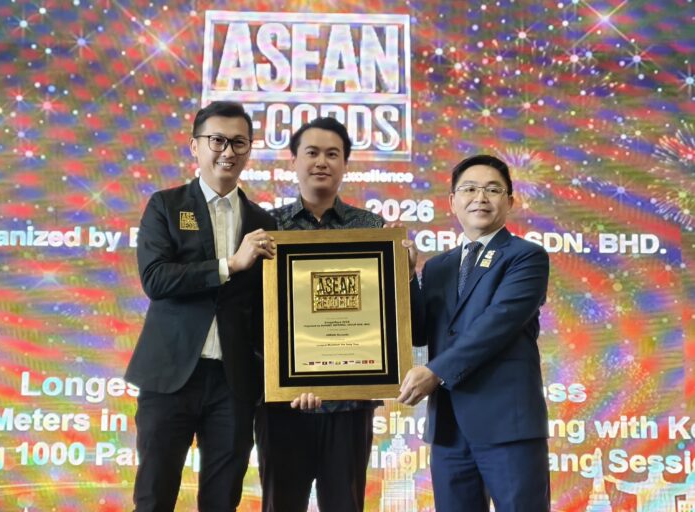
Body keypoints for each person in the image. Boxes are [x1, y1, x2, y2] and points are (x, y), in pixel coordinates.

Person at [124, 101, 277, 512]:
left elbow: (272, 310)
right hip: (170, 376)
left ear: (249, 150)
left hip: (235, 382)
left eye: (239, 143)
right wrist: (230, 264)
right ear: (195, 146)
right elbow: (156, 279)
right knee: (154, 495)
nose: (227, 151)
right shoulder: (166, 206)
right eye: (217, 141)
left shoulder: (265, 223)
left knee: (222, 499)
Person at [398, 154, 551, 511]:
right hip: (449, 429)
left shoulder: (525, 257)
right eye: (469, 189)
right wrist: (405, 278)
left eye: (492, 189)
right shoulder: (438, 267)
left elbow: (498, 323)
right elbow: (421, 332)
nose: (480, 197)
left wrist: (435, 372)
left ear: (509, 201)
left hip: (507, 425)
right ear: (452, 201)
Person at [254, 117, 384, 512]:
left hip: (348, 404)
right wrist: (288, 377)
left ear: (346, 163)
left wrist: (405, 270)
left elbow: (379, 317)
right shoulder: (265, 226)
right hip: (281, 405)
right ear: (293, 161)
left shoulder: (371, 227)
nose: (321, 162)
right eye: (311, 153)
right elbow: (249, 312)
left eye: (333, 154)